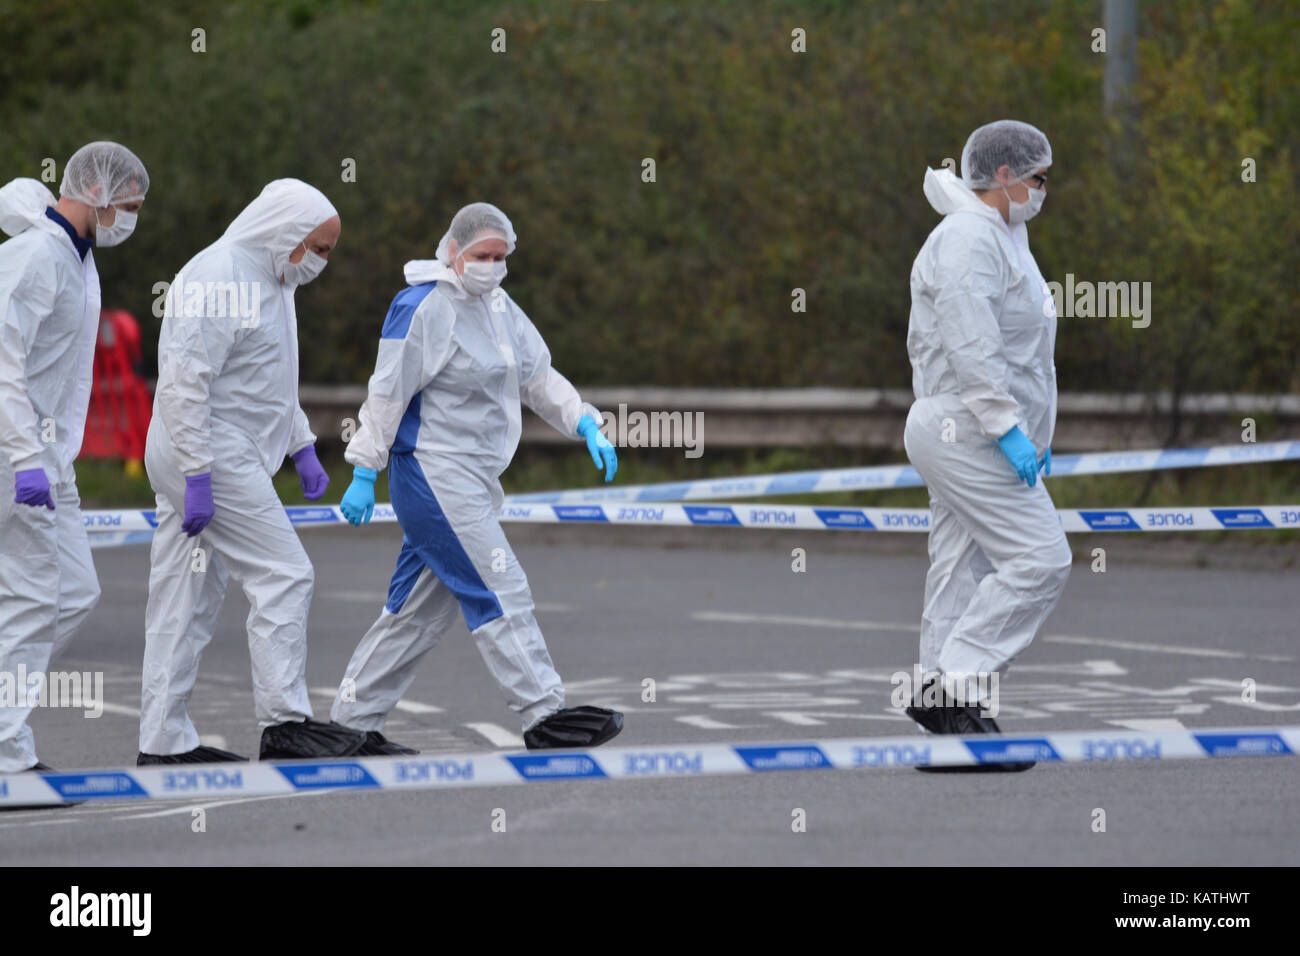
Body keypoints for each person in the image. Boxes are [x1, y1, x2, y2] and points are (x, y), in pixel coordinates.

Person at [331, 202, 623, 753]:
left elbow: (537, 375)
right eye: (482, 256)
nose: (492, 265)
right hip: (432, 472)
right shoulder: (421, 306)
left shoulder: (498, 305)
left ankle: (350, 723)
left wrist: (584, 420)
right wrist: (365, 468)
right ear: (454, 250)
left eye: (500, 256)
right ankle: (544, 713)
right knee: (500, 583)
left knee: (414, 612)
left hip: (473, 478)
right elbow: (388, 391)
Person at [138, 179, 364, 764]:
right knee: (286, 574)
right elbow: (186, 383)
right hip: (210, 449)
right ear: (286, 231)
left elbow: (268, 379)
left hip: (214, 453)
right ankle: (285, 726)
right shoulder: (221, 275)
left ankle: (161, 742)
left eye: (328, 250)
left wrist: (302, 446)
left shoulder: (273, 278)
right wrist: (198, 473)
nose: (321, 260)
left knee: (184, 597)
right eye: (318, 246)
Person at [901, 120, 1072, 771]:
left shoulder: (1000, 236)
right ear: (1003, 176)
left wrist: (1028, 432)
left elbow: (1022, 355)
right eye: (1037, 178)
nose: (1041, 190)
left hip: (973, 429)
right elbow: (975, 345)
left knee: (956, 572)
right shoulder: (969, 239)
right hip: (966, 428)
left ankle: (949, 736)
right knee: (1041, 559)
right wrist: (1007, 429)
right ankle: (953, 687)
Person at [0, 143, 149, 779]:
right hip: (17, 454)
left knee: (73, 592)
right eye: (131, 206)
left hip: (47, 458)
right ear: (99, 194)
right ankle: (8, 758)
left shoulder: (75, 258)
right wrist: (24, 454)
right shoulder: (36, 257)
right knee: (33, 599)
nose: (132, 219)